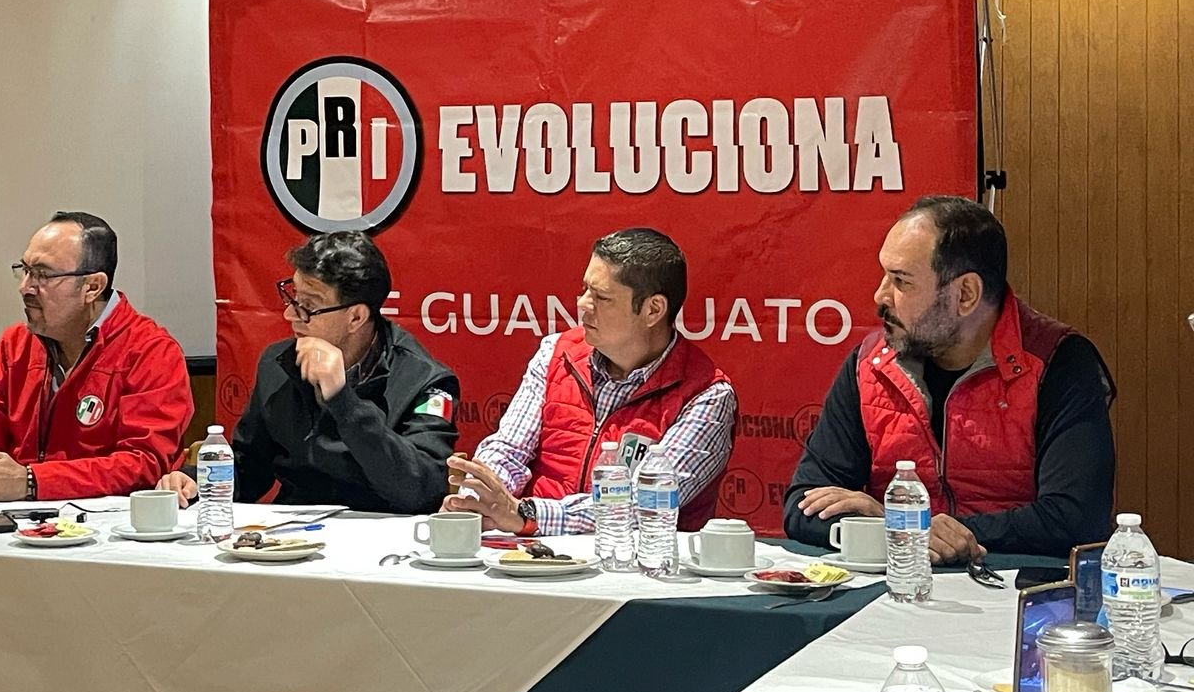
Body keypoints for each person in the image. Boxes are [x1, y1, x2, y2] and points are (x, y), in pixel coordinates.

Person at [783, 194, 1116, 562]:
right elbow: (804, 505)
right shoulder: (871, 363)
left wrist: (925, 529)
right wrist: (893, 526)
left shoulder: (1058, 362)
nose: (880, 295)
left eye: (901, 281)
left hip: (1013, 585)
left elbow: (1075, 518)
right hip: (899, 583)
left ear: (965, 294)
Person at [442, 228, 737, 535]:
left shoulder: (708, 395)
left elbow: (646, 504)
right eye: (585, 289)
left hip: (637, 559)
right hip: (532, 550)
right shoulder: (556, 353)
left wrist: (526, 514)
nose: (583, 304)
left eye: (602, 297)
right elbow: (508, 450)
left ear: (653, 310)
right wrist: (478, 499)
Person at [157, 231, 459, 513]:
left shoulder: (426, 382)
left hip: (383, 534)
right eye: (293, 298)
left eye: (308, 306)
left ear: (356, 317)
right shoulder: (279, 363)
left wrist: (343, 401)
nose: (290, 314)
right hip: (292, 533)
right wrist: (196, 481)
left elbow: (420, 489)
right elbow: (250, 471)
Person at [0, 211, 192, 502]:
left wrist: (32, 481)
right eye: (25, 270)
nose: (25, 287)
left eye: (42, 275)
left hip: (108, 523)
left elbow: (143, 463)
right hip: (14, 518)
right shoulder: (15, 345)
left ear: (92, 287)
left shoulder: (151, 352)